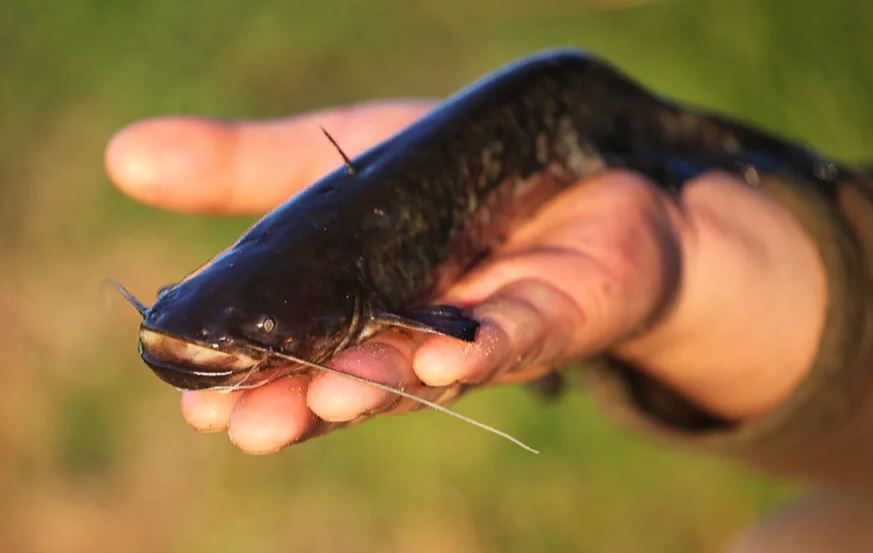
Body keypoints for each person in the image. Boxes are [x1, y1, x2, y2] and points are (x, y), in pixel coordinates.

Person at [105, 100, 872, 552]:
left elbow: (453, 328)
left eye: (255, 333)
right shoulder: (311, 278)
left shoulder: (360, 291)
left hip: (569, 101)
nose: (216, 344)